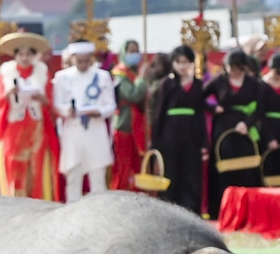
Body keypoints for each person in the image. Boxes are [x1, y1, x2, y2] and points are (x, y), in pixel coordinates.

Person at [0, 31, 59, 199]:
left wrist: (41, 98)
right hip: (15, 128)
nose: (24, 57)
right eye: (21, 54)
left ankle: (39, 201)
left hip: (36, 126)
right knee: (15, 166)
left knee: (37, 167)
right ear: (15, 55)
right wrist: (9, 94)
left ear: (34, 55)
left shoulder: (42, 72)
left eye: (28, 54)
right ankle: (15, 202)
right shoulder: (6, 74)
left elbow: (50, 101)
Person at [149, 44, 211, 215]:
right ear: (173, 63)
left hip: (192, 134)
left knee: (191, 173)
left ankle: (192, 211)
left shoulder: (198, 85)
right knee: (171, 172)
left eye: (186, 62)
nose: (183, 66)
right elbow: (158, 114)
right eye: (179, 62)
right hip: (170, 134)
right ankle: (170, 210)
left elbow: (200, 114)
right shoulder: (167, 84)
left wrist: (204, 141)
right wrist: (155, 141)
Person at [51, 40, 116, 200]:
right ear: (72, 58)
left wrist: (99, 112)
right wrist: (68, 110)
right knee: (73, 176)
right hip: (73, 131)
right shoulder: (62, 77)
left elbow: (111, 106)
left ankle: (99, 213)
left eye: (87, 61)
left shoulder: (102, 76)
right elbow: (57, 104)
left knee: (98, 178)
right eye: (79, 61)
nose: (83, 64)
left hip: (96, 131)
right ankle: (72, 213)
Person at [206, 50, 265, 200]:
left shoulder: (254, 84)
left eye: (238, 68)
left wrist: (247, 123)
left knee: (247, 168)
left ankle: (248, 203)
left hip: (244, 128)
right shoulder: (219, 80)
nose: (234, 72)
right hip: (223, 126)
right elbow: (200, 96)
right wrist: (213, 108)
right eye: (231, 68)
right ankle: (222, 203)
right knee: (224, 165)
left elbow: (261, 107)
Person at [110, 42, 152, 190]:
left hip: (138, 126)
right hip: (124, 125)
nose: (135, 54)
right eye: (131, 51)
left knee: (137, 166)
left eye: (137, 51)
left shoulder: (134, 73)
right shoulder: (120, 74)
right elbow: (133, 95)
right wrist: (142, 78)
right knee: (123, 166)